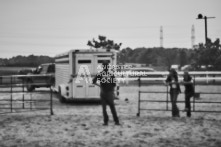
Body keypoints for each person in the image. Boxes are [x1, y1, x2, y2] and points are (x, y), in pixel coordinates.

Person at [92, 61, 120, 126]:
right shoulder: (111, 74)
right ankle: (116, 121)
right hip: (110, 93)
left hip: (103, 93)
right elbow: (114, 84)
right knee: (112, 108)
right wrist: (112, 91)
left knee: (104, 109)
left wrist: (100, 85)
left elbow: (93, 81)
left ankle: (106, 122)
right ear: (108, 67)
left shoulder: (100, 74)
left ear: (102, 67)